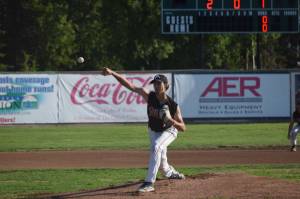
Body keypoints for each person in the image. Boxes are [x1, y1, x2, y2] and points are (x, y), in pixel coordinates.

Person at [102, 67, 186, 192]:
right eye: (155, 84)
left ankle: (149, 183)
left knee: (157, 147)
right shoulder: (149, 96)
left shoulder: (173, 105)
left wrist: (171, 121)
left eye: (159, 83)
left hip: (169, 131)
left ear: (166, 85)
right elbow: (129, 85)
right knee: (161, 160)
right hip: (153, 131)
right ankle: (170, 172)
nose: (156, 86)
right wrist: (112, 73)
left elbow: (183, 127)